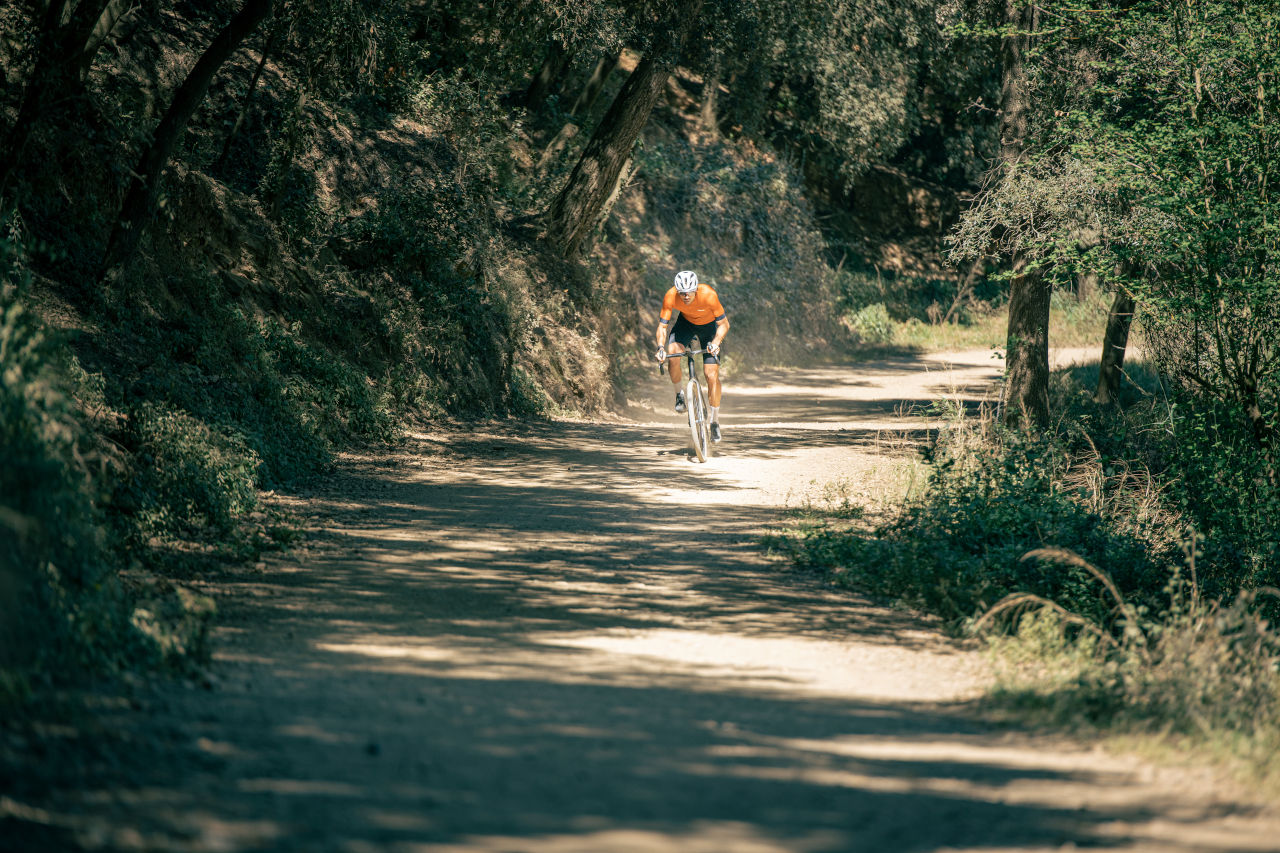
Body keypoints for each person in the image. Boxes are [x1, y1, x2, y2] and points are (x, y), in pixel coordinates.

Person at [654, 270, 729, 442]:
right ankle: (680, 395)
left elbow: (724, 324)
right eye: (682, 292)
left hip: (709, 329)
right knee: (673, 353)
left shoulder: (709, 295)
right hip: (685, 325)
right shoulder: (671, 296)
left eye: (689, 292)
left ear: (696, 289)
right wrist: (660, 347)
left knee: (711, 375)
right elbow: (662, 327)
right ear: (677, 290)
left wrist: (716, 342)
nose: (686, 296)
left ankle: (714, 421)